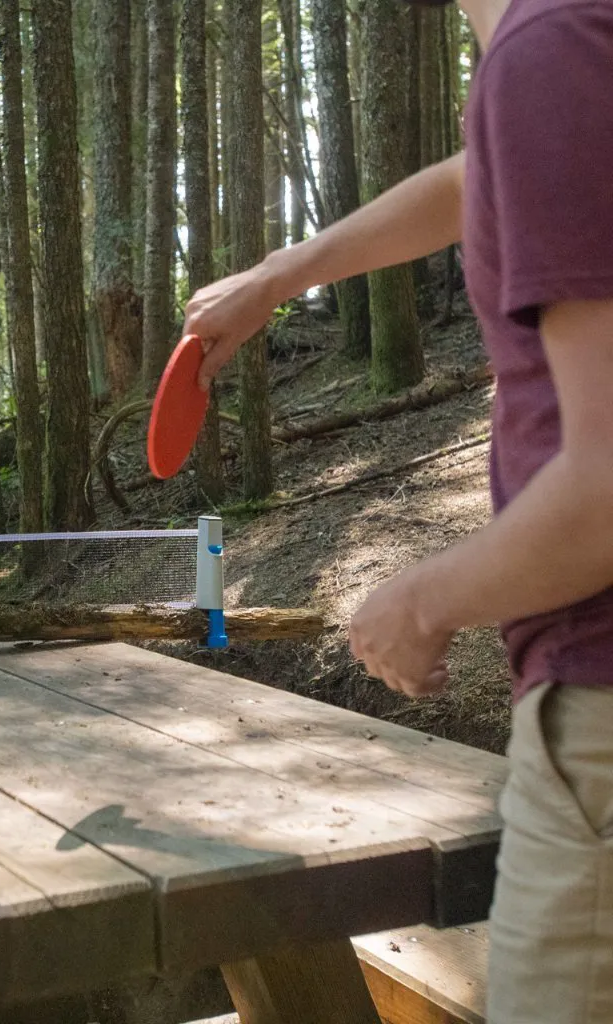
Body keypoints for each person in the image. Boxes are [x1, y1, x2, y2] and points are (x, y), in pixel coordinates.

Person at [182, 0, 613, 1020]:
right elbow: (490, 179)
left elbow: (602, 490)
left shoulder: (553, 42)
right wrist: (280, 275)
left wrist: (422, 601)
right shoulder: (569, 51)